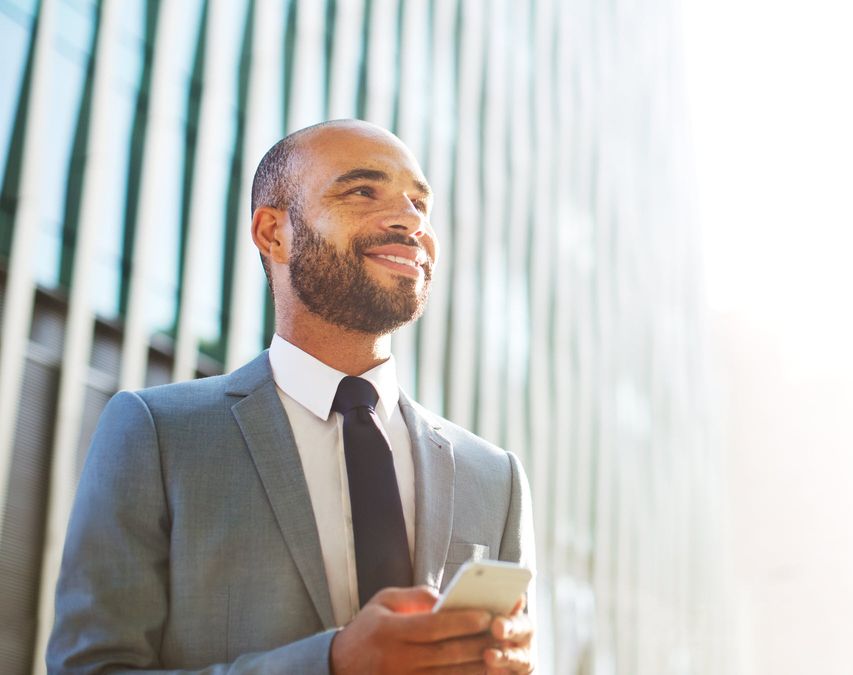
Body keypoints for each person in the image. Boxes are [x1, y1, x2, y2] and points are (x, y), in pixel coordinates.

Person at [46, 119, 536, 674]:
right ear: (273, 233)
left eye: (419, 204)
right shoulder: (156, 434)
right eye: (362, 191)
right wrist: (331, 663)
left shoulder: (495, 479)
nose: (409, 220)